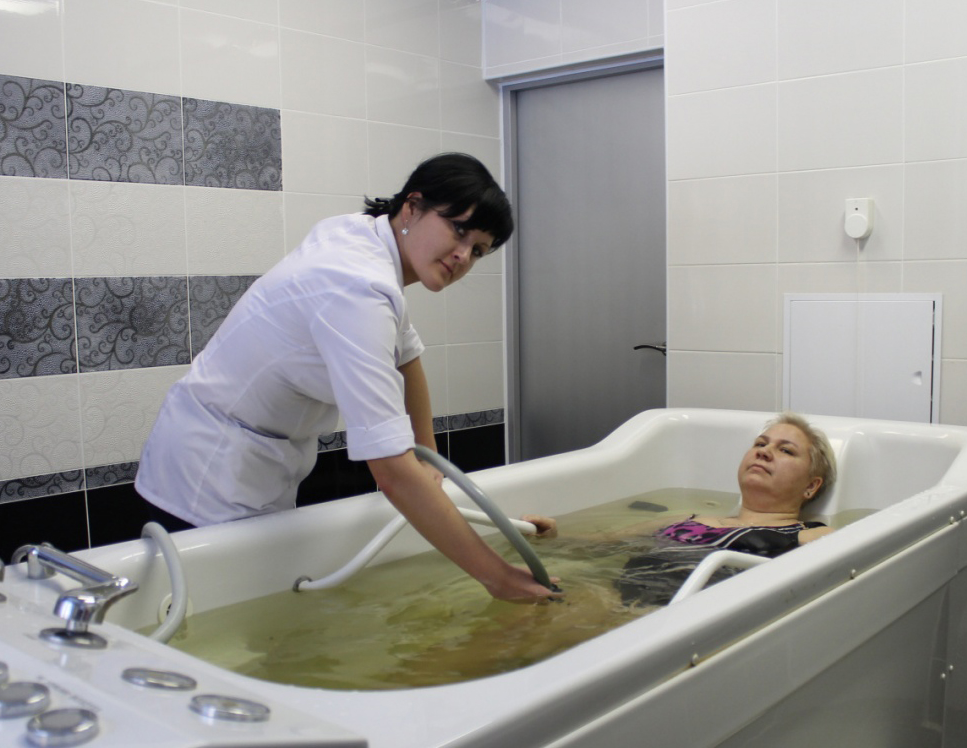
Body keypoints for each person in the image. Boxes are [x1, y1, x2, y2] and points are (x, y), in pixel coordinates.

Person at [136, 153, 560, 603]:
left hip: (243, 461)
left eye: (478, 250)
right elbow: (391, 472)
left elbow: (407, 356)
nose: (462, 256)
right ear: (412, 207)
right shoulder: (356, 286)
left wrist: (429, 459)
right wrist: (498, 578)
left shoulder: (364, 239)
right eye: (458, 230)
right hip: (205, 479)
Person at [523, 412, 838, 606]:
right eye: (760, 443)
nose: (764, 452)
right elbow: (602, 544)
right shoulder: (684, 519)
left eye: (786, 451)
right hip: (610, 596)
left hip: (665, 617)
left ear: (810, 487)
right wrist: (552, 536)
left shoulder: (807, 536)